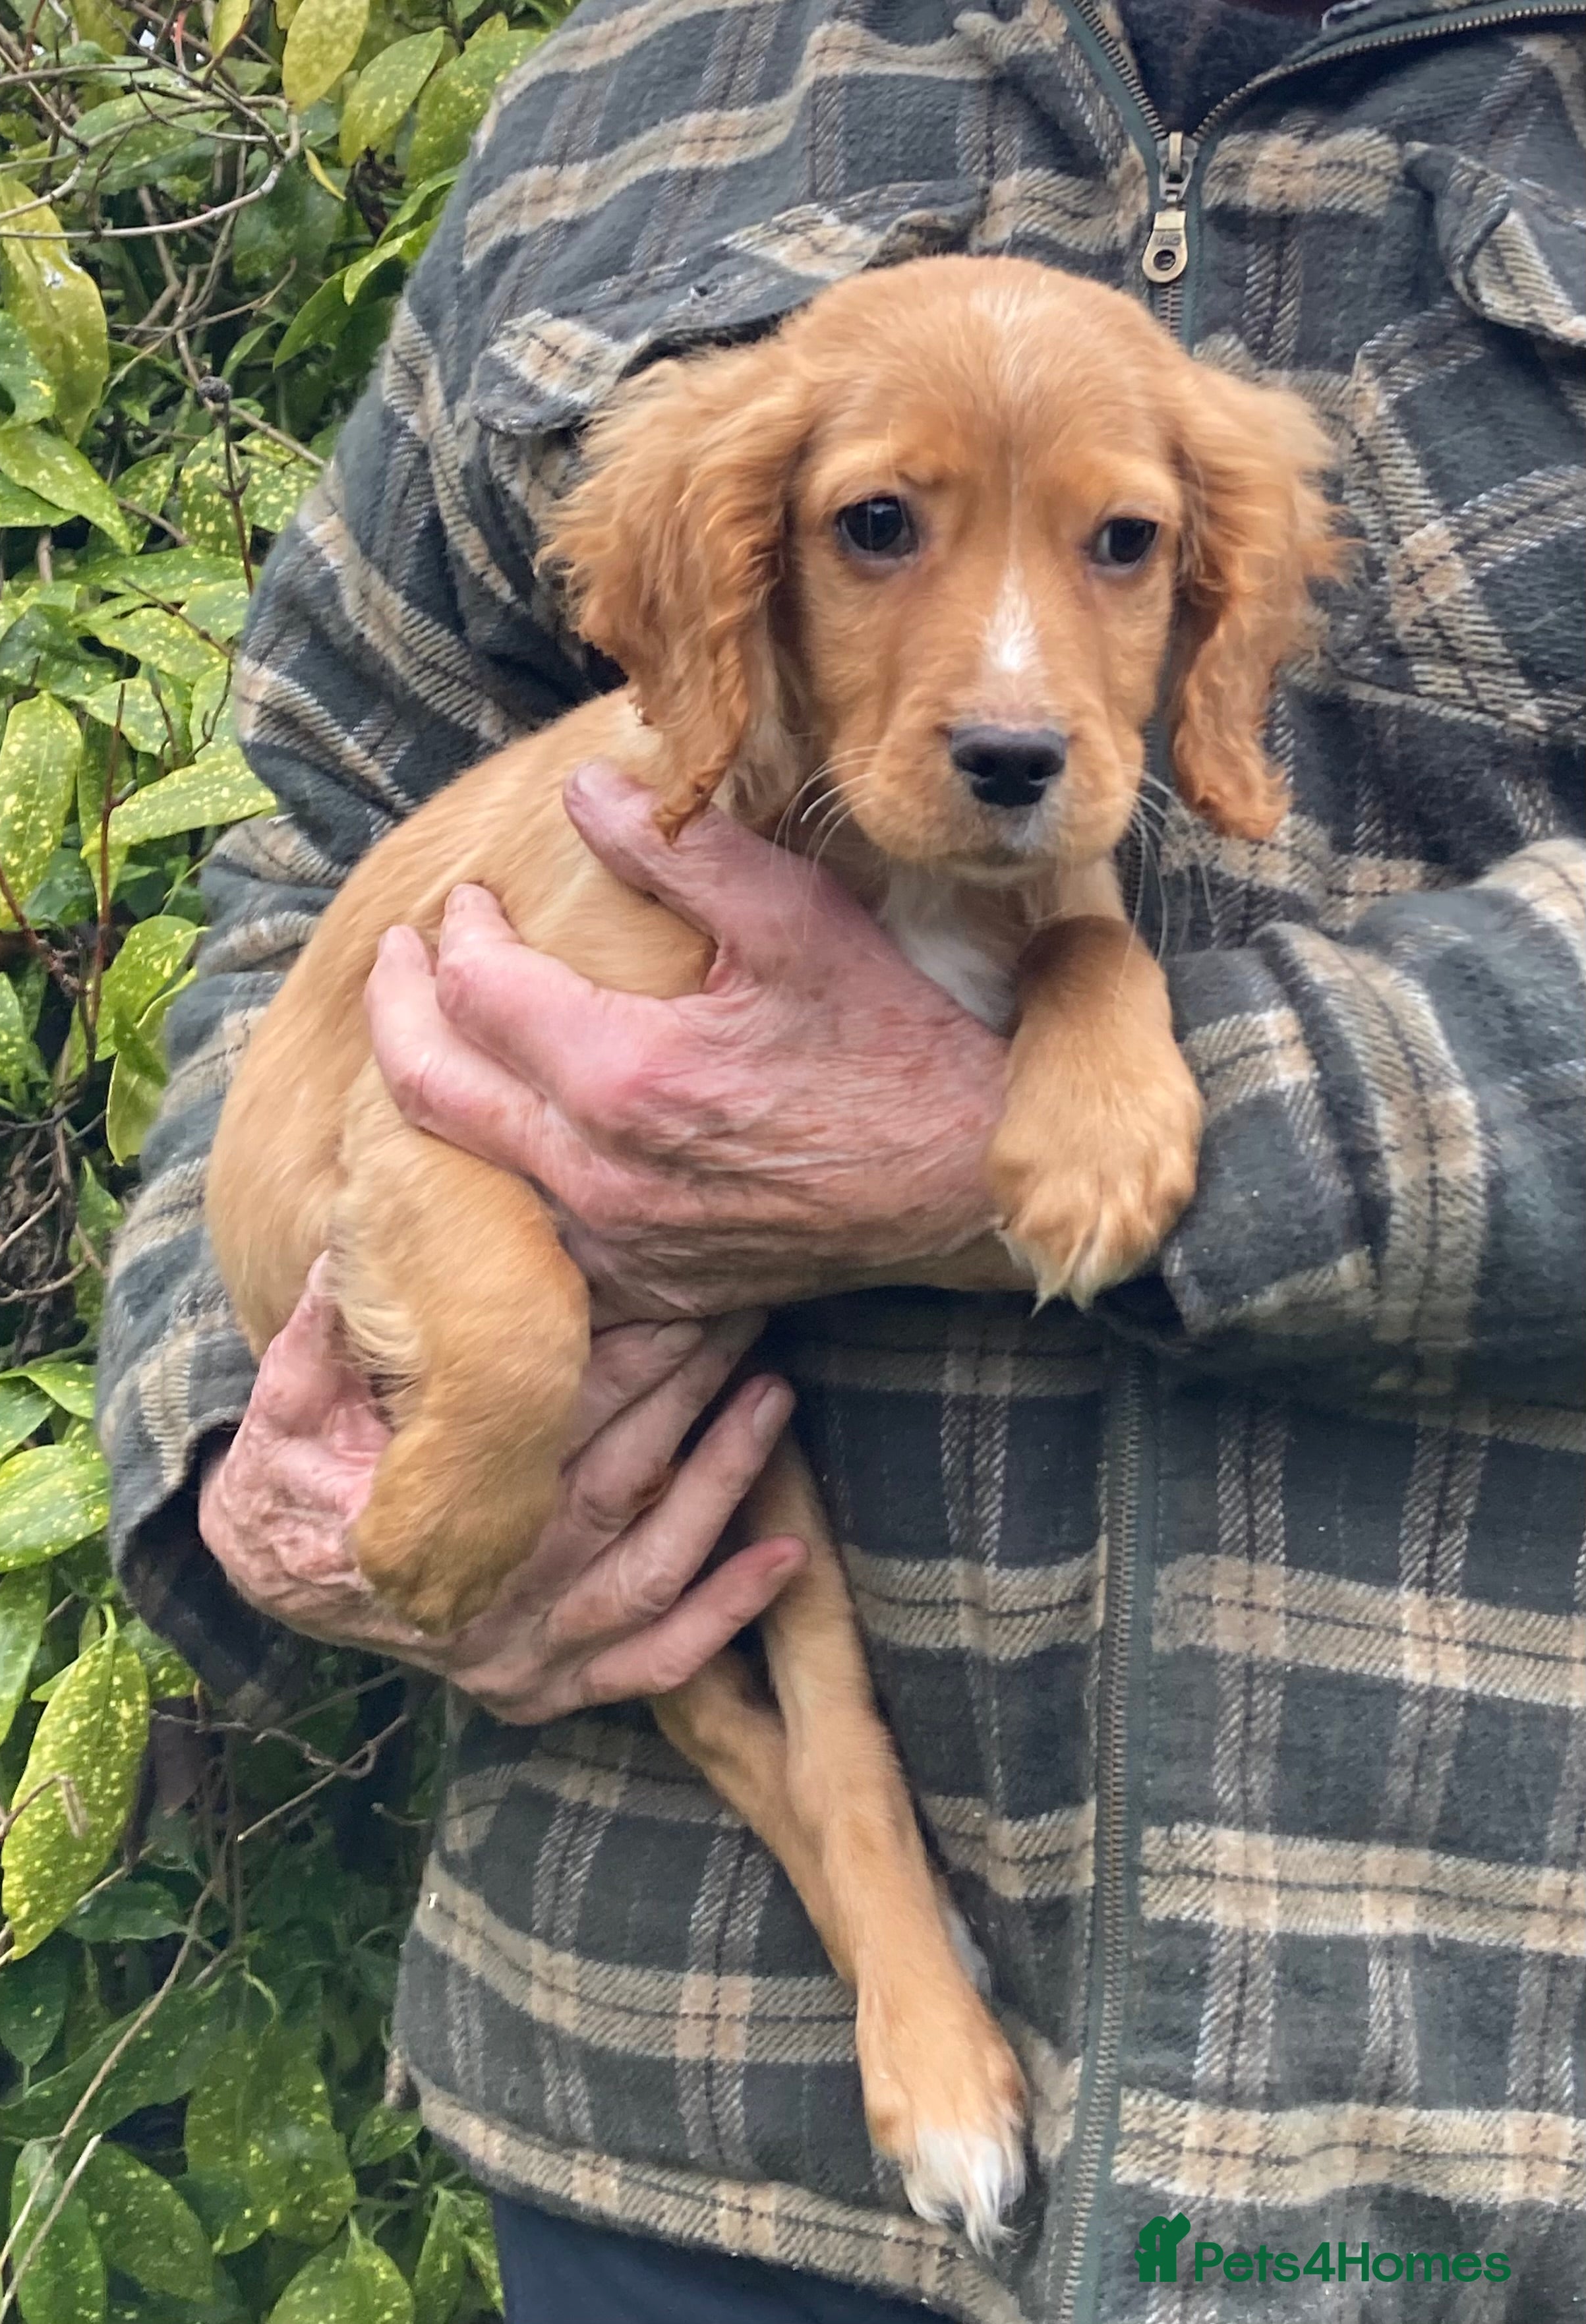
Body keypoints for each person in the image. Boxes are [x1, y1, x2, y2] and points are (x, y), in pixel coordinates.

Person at [98, 0, 1586, 2315]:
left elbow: (1072, 981)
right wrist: (258, 1445)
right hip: (667, 2101)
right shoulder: (632, 95)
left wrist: (1162, 1122)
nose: (1006, 685)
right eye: (875, 531)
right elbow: (307, 845)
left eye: (1118, 551)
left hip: (1456, 2104)